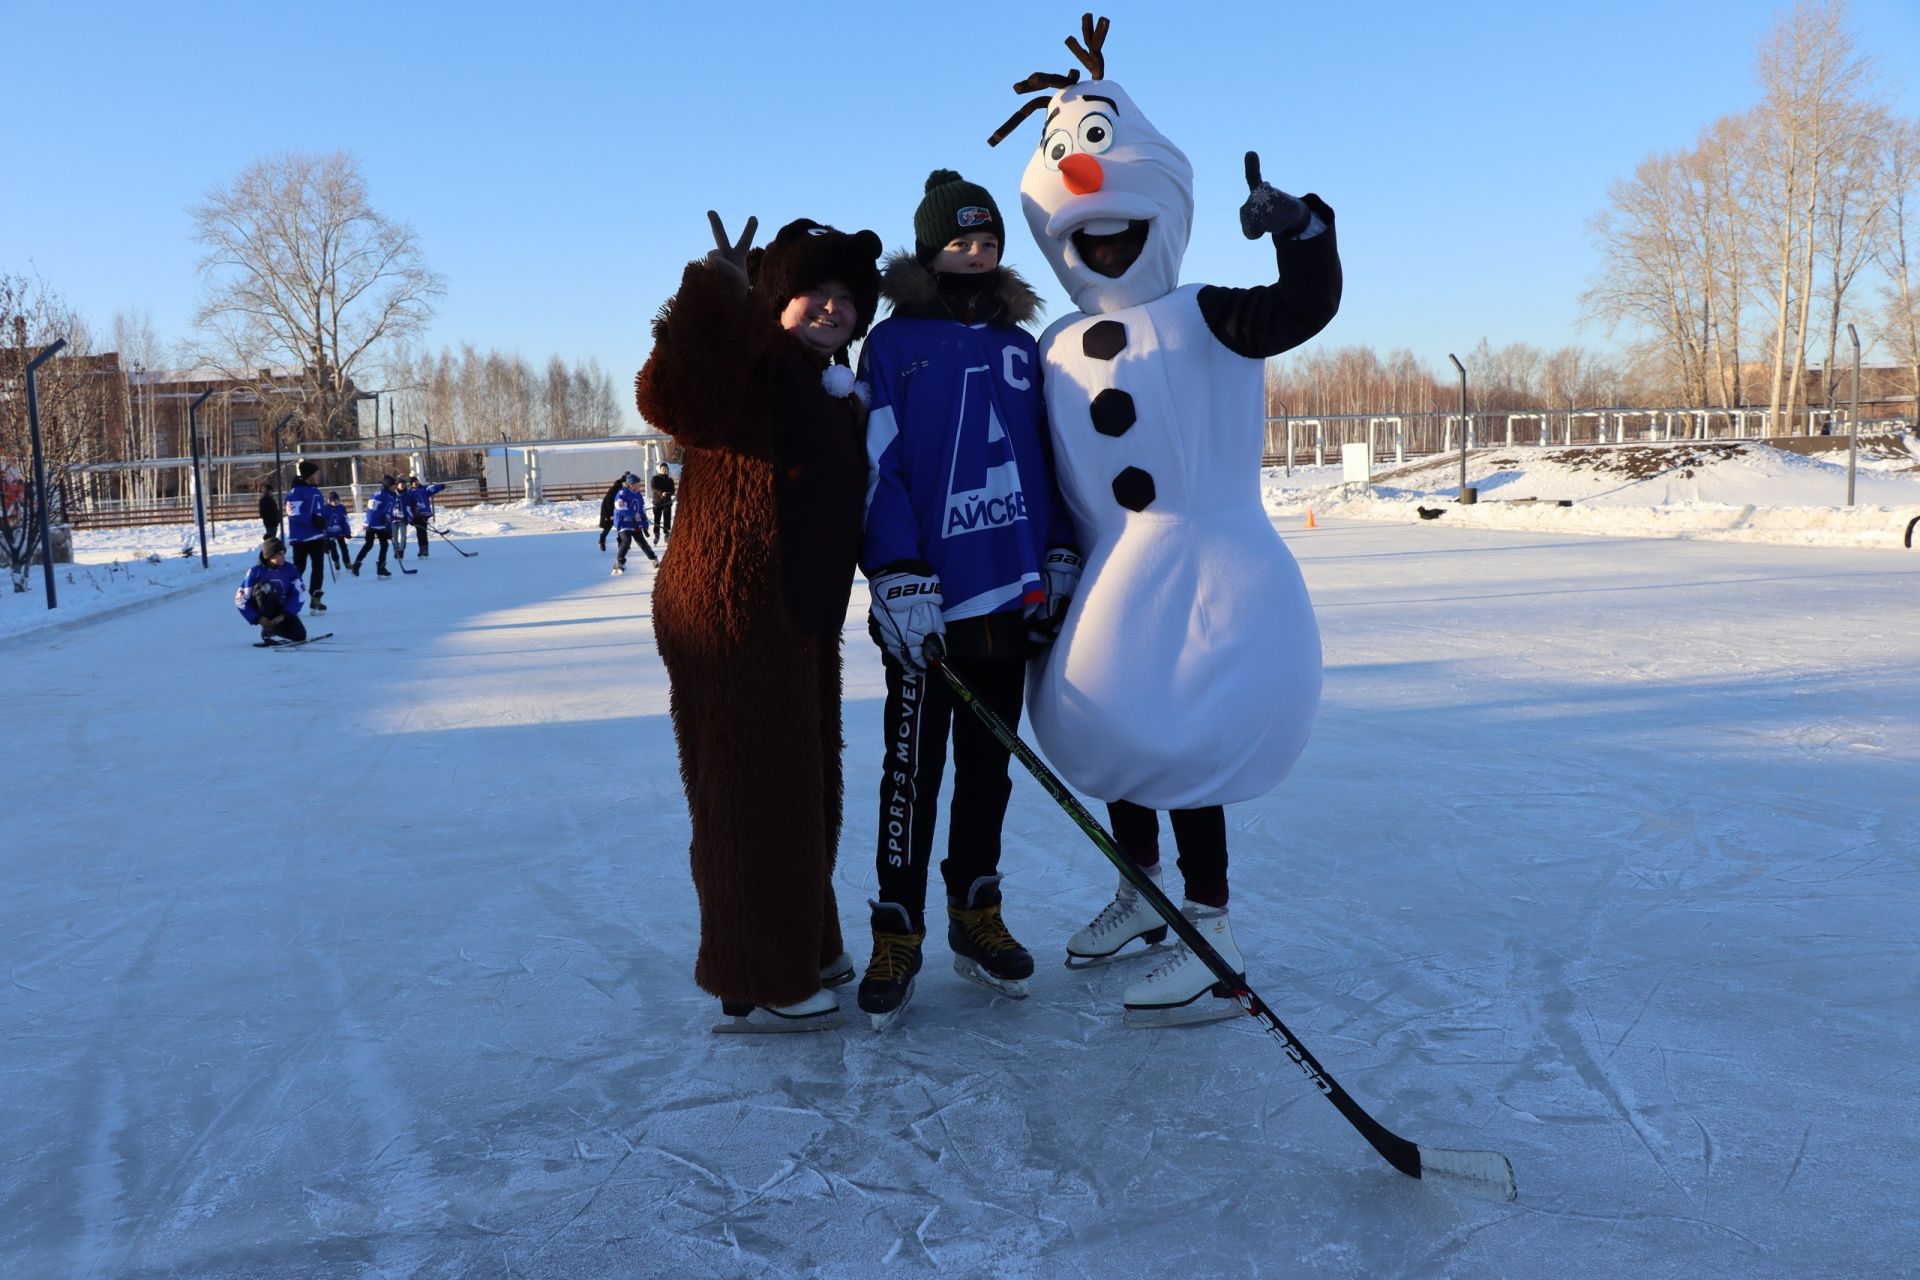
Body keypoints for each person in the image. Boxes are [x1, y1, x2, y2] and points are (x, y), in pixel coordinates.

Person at [995, 25, 1342, 1026]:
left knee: (1189, 735)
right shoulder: (1052, 344)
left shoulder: (1208, 315)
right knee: (1115, 727)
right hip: (1107, 574)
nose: (1104, 241)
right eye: (1085, 234)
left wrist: (1301, 229)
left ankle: (1212, 922)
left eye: (1118, 226)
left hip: (1209, 567)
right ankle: (1143, 894)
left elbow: (1302, 306)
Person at [635, 212, 881, 1032]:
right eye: (812, 291)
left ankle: (806, 938)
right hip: (729, 606)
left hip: (794, 610)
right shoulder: (754, 364)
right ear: (776, 299)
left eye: (847, 296)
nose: (830, 307)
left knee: (804, 777)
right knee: (751, 788)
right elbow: (672, 397)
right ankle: (755, 967)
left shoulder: (824, 384)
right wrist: (712, 294)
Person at [854, 169, 1078, 1025]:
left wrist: (1056, 546)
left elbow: (1050, 460)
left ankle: (975, 912)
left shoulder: (1023, 349)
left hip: (1010, 596)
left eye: (988, 244)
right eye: (961, 243)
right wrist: (895, 575)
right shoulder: (893, 342)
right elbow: (882, 465)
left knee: (990, 769)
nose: (977, 257)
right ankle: (897, 923)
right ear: (930, 250)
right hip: (927, 602)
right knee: (913, 766)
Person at [234, 537, 307, 643]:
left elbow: (300, 593)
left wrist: (284, 615)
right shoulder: (255, 572)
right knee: (264, 586)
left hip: (283, 610)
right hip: (263, 608)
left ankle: (275, 628)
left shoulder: (291, 569)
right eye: (279, 554)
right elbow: (241, 600)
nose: (283, 557)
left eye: (284, 553)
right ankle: (267, 630)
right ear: (270, 556)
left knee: (300, 635)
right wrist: (258, 619)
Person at [283, 460, 331, 614]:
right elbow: (293, 513)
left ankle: (316, 598)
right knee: (299, 569)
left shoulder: (316, 491)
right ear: (308, 475)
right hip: (301, 538)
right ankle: (288, 598)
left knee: (318, 568)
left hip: (316, 537)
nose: (319, 475)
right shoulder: (296, 492)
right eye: (316, 473)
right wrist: (312, 520)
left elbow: (320, 514)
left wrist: (325, 531)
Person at [351, 475, 401, 577]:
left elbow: (389, 512)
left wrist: (388, 526)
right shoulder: (381, 495)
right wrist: (385, 522)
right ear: (388, 486)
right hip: (375, 524)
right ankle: (357, 564)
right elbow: (373, 511)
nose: (395, 487)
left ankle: (381, 567)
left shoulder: (389, 495)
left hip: (379, 524)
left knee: (383, 545)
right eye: (393, 485)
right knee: (369, 545)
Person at [609, 472, 657, 574]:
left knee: (642, 542)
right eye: (638, 483)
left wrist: (644, 522)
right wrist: (632, 515)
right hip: (624, 523)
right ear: (631, 484)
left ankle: (654, 560)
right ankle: (619, 563)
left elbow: (641, 510)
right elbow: (619, 507)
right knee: (626, 540)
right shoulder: (623, 493)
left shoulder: (638, 495)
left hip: (635, 524)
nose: (640, 485)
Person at [406, 476, 447, 556]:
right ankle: (422, 548)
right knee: (419, 532)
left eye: (417, 481)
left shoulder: (423, 489)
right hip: (416, 515)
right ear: (411, 484)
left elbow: (432, 488)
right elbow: (408, 505)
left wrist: (442, 486)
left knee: (422, 531)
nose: (416, 483)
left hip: (424, 513)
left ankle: (425, 548)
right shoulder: (409, 493)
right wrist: (410, 518)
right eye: (414, 482)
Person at [324, 491, 353, 570]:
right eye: (333, 500)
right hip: (329, 533)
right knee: (333, 549)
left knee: (344, 548)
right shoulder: (324, 509)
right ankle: (336, 560)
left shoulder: (341, 508)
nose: (336, 502)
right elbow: (322, 523)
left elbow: (345, 521)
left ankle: (347, 562)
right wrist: (324, 536)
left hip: (340, 532)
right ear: (329, 501)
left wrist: (347, 532)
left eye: (337, 500)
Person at [648, 462, 676, 544]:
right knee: (657, 518)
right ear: (660, 469)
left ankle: (666, 533)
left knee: (667, 518)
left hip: (667, 502)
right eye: (663, 468)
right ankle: (656, 534)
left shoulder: (670, 480)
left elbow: (672, 491)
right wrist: (661, 493)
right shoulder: (655, 478)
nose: (664, 469)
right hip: (657, 502)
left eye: (666, 468)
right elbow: (654, 488)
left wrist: (668, 493)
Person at [597, 475, 624, 552]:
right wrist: (611, 515)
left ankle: (620, 542)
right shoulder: (613, 492)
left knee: (620, 527)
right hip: (608, 513)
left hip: (616, 511)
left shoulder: (618, 491)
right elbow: (609, 504)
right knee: (607, 527)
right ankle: (602, 540)